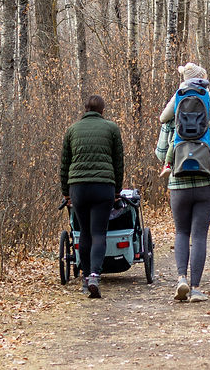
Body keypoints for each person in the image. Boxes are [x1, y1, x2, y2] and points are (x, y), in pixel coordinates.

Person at [155, 115, 210, 302]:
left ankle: (182, 278)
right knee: (199, 235)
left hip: (179, 184)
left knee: (181, 232)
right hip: (207, 184)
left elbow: (160, 153)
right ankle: (196, 288)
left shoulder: (172, 118)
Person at [60, 94, 124, 299]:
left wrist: (65, 191)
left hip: (78, 187)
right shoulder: (112, 128)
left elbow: (64, 164)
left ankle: (86, 278)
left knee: (84, 232)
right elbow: (118, 162)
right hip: (103, 186)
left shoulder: (72, 130)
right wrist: (117, 191)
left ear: (85, 109)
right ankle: (95, 275)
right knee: (99, 233)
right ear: (102, 111)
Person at [158, 63, 210, 180]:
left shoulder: (179, 94)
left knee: (173, 142)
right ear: (200, 79)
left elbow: (163, 118)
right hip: (203, 129)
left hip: (182, 129)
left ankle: (167, 165)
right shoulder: (206, 94)